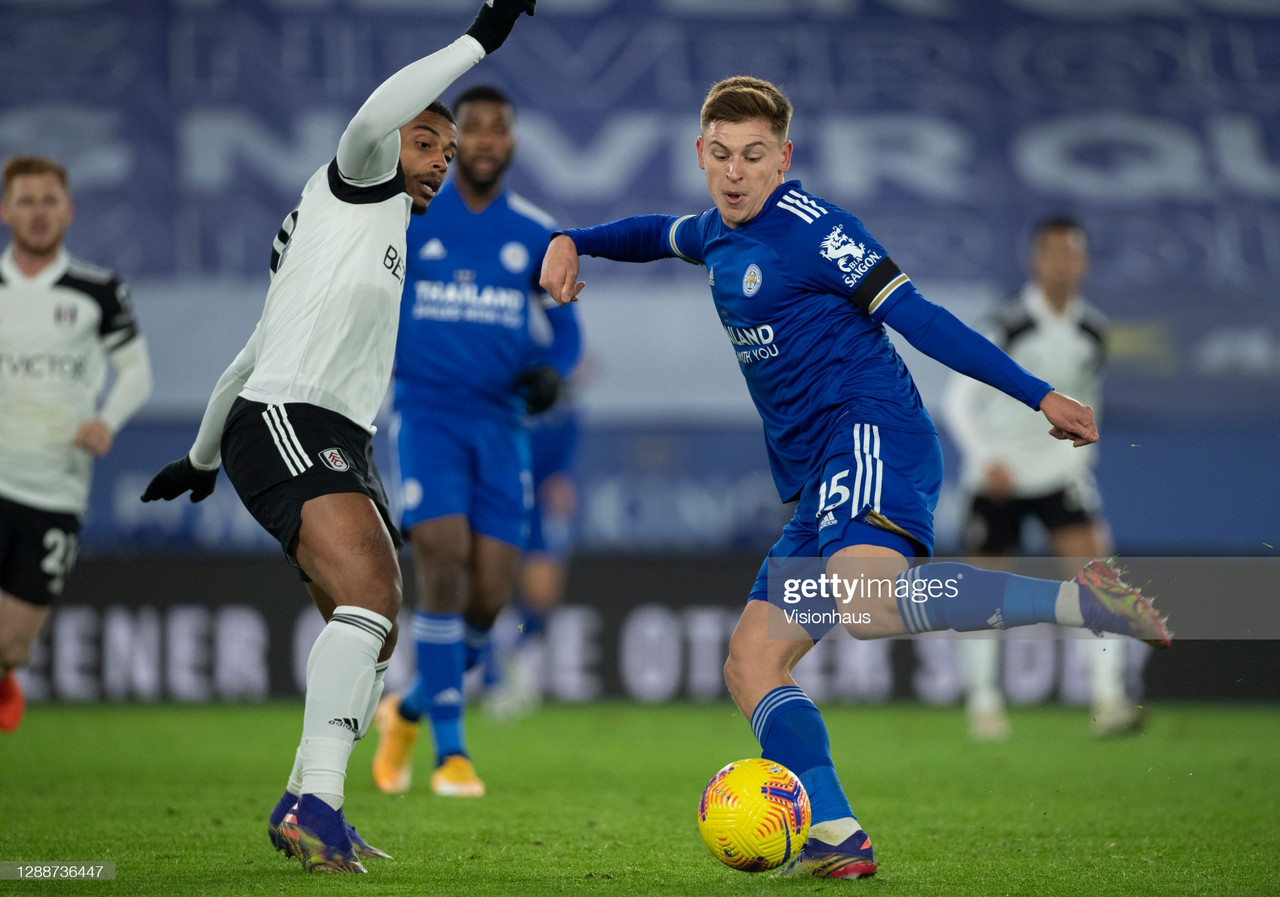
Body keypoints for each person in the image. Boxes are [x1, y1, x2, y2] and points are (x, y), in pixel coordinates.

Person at [540, 76, 1171, 880]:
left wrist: (1038, 393)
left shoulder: (819, 230)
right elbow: (652, 233)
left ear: (783, 159)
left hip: (871, 435)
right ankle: (836, 831)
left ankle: (1080, 599)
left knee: (867, 603)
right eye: (722, 155)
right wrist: (574, 238)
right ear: (702, 155)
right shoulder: (716, 232)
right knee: (750, 663)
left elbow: (921, 318)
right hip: (815, 478)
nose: (736, 173)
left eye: (755, 156)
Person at [139, 2, 536, 875]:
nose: (443, 159)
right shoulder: (357, 174)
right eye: (429, 143)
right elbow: (369, 117)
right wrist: (481, 39)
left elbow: (252, 344)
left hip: (318, 426)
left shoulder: (363, 228)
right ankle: (316, 803)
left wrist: (202, 457)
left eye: (447, 150)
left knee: (372, 623)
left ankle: (306, 798)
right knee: (372, 584)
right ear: (394, 141)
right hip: (294, 416)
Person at [370, 84, 581, 798]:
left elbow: (570, 326)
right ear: (457, 143)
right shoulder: (411, 218)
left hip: (501, 424)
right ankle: (450, 755)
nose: (487, 140)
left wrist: (553, 370)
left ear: (512, 144)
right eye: (476, 129)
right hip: (427, 414)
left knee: (490, 599)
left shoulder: (533, 231)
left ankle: (410, 706)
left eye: (499, 129)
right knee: (442, 558)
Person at [943, 216, 1148, 740]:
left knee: (1098, 579)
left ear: (1084, 263)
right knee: (982, 593)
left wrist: (1079, 454)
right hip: (1000, 476)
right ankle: (984, 707)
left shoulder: (1093, 332)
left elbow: (1088, 400)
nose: (1061, 265)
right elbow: (957, 399)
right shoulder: (1008, 325)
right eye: (1052, 254)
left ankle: (1110, 700)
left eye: (1071, 255)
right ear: (1037, 260)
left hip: (1059, 475)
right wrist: (984, 458)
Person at [0, 155, 153, 734]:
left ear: (68, 211)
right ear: (5, 210)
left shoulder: (99, 291)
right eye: (25, 201)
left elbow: (137, 374)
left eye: (48, 201)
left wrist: (106, 420)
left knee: (12, 645)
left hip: (56, 490)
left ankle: (7, 671)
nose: (37, 213)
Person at [484, 370, 583, 720]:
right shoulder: (495, 391)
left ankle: (519, 663)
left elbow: (568, 441)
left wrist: (563, 478)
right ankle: (495, 679)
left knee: (541, 596)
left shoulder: (561, 404)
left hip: (539, 506)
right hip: (496, 499)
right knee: (488, 592)